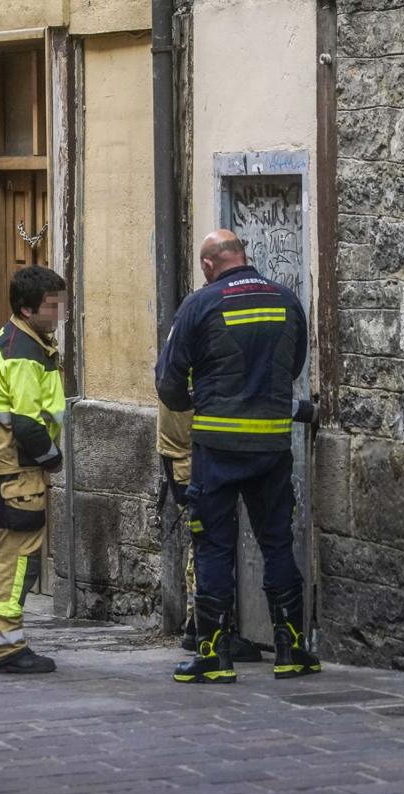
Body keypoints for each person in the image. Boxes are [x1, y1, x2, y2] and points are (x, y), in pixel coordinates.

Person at [155, 230, 320, 684]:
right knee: (277, 542)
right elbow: (295, 364)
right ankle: (291, 649)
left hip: (218, 447)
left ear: (209, 264)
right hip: (271, 445)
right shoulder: (287, 300)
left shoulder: (200, 304)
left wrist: (201, 400)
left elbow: (168, 383)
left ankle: (213, 654)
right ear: (244, 256)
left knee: (212, 545)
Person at [0, 265, 66, 674]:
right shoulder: (25, 352)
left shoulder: (15, 337)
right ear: (27, 309)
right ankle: (6, 647)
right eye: (51, 305)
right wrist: (52, 457)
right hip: (15, 467)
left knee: (3, 551)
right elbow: (27, 421)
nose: (58, 311)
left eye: (61, 302)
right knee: (19, 557)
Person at [157, 402, 261, 663]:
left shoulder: (179, 363)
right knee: (210, 538)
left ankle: (199, 624)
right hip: (192, 452)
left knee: (204, 538)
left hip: (187, 450)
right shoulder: (189, 363)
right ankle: (210, 628)